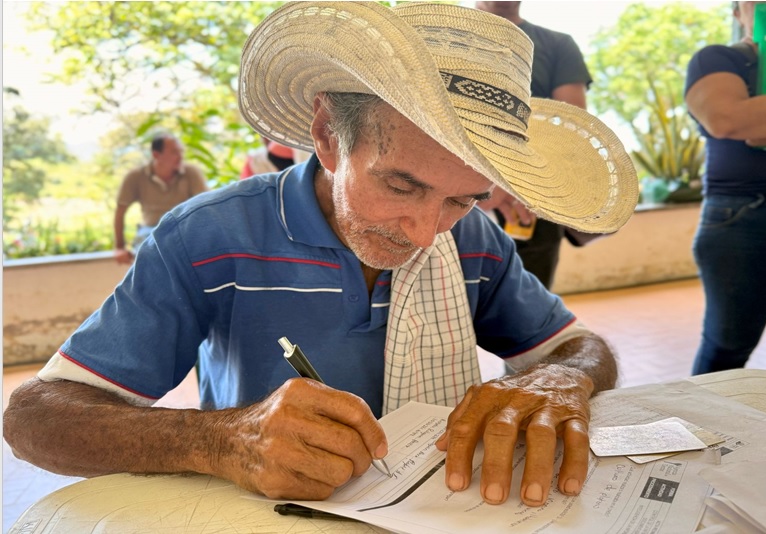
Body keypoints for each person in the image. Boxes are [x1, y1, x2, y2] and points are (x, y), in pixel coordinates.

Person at [4, 2, 638, 509]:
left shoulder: (473, 238)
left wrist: (562, 379)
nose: (425, 234)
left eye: (462, 198)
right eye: (400, 185)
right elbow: (34, 417)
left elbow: (577, 347)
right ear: (327, 136)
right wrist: (228, 440)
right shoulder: (210, 237)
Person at [684, 1, 766, 378]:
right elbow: (727, 119)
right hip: (740, 216)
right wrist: (751, 121)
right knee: (727, 346)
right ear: (738, 12)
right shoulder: (717, 59)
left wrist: (764, 122)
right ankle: (697, 431)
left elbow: (750, 127)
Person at [474, 1, 593, 289]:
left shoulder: (557, 44)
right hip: (453, 191)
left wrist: (522, 185)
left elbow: (569, 126)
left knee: (527, 304)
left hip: (533, 202)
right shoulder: (443, 35)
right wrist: (481, 186)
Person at [113, 133, 209, 264]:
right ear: (156, 155)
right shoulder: (135, 176)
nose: (180, 156)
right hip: (150, 232)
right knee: (148, 250)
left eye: (181, 151)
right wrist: (119, 247)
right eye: (174, 152)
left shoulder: (192, 172)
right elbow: (120, 210)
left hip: (183, 229)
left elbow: (205, 208)